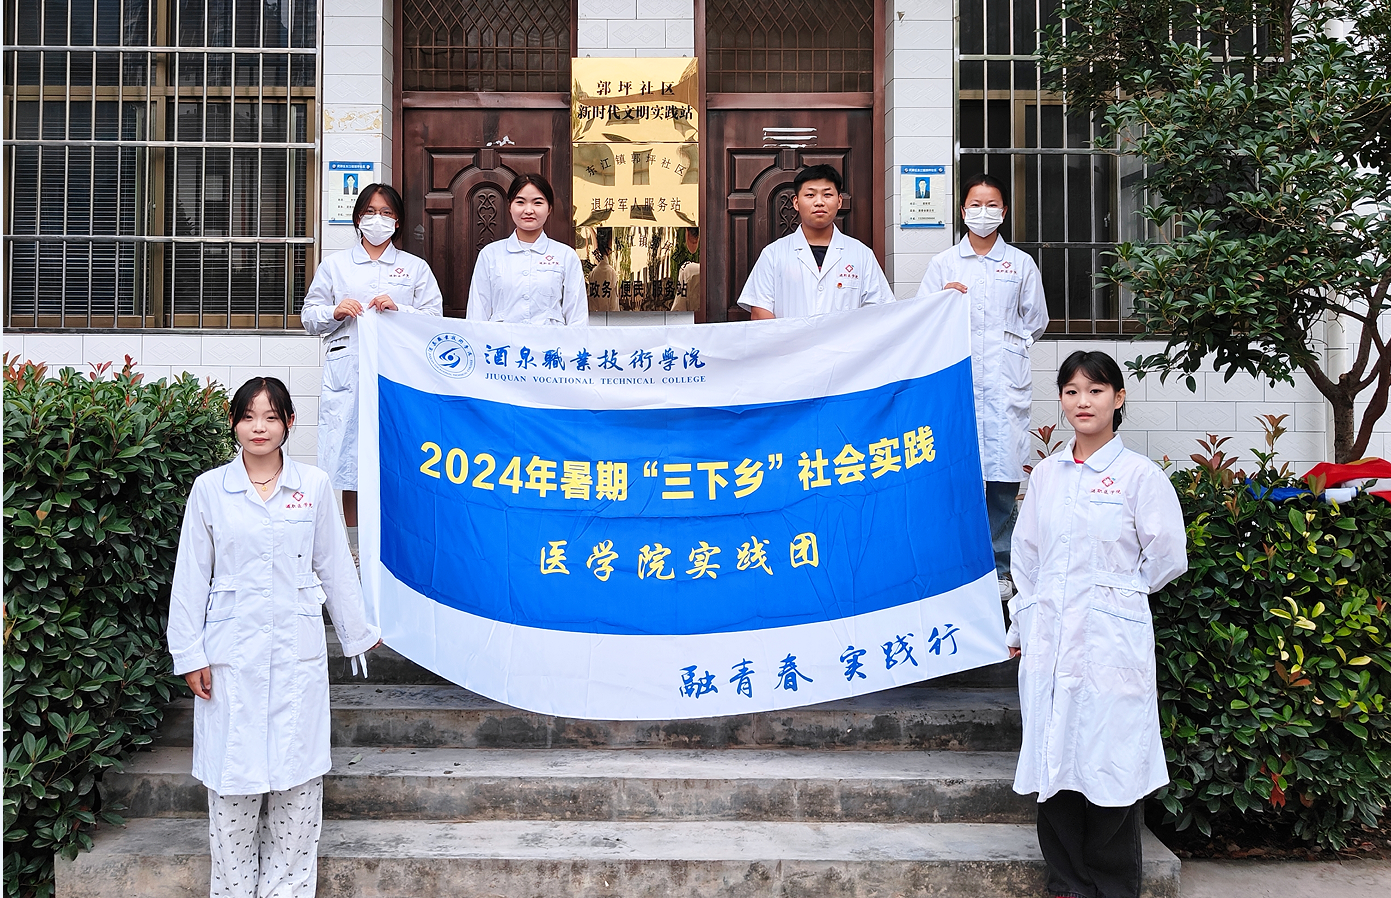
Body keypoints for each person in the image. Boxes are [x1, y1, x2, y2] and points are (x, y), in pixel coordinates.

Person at [167, 377, 381, 898]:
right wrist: (189, 653)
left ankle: (288, 891)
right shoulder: (210, 489)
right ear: (233, 423)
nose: (258, 427)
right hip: (230, 655)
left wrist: (357, 632)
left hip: (294, 654)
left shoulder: (314, 486)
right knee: (232, 784)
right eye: (247, 416)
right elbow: (191, 575)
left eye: (270, 416)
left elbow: (334, 564)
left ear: (289, 423)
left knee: (297, 786)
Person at [1006, 351, 1188, 898]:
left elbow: (1167, 556)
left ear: (1118, 398)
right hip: (1050, 638)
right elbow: (1027, 557)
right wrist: (1024, 623)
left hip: (1111, 640)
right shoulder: (1048, 476)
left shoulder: (1139, 476)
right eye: (1071, 391)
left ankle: (1112, 886)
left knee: (1110, 760)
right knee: (1054, 757)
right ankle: (1066, 883)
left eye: (1095, 390)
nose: (1082, 402)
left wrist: (1117, 596)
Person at [914, 172, 1048, 601]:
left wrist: (1010, 347)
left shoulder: (1020, 264)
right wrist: (942, 300)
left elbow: (1036, 321)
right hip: (959, 382)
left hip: (1004, 384)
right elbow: (921, 319)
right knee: (957, 476)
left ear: (1004, 211)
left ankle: (1001, 568)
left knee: (1003, 480)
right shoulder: (944, 264)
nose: (983, 212)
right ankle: (958, 567)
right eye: (976, 204)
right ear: (962, 210)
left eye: (992, 205)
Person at [301, 183, 442, 549]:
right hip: (349, 375)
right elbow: (309, 317)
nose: (377, 219)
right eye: (370, 212)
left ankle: (395, 546)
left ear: (397, 221)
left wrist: (401, 310)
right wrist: (335, 311)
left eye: (386, 213)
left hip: (398, 376)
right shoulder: (335, 266)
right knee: (352, 464)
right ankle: (355, 548)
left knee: (399, 458)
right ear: (358, 218)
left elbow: (435, 320)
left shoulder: (414, 268)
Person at [737, 164, 893, 319]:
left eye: (827, 195)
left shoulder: (861, 254)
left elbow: (878, 310)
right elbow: (760, 310)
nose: (819, 202)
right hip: (790, 337)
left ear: (839, 201)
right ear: (796, 203)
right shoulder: (773, 254)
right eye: (810, 195)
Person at [468, 173, 588, 325]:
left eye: (537, 203)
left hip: (550, 340)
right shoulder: (490, 255)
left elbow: (577, 316)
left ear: (549, 208)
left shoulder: (565, 255)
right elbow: (477, 312)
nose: (529, 210)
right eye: (520, 202)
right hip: (502, 339)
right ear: (510, 206)